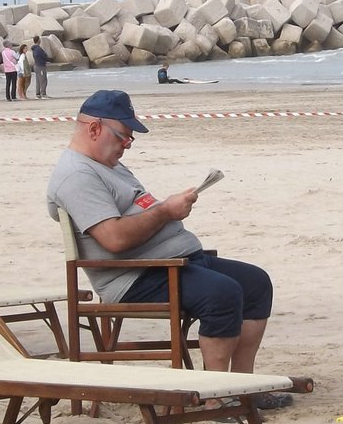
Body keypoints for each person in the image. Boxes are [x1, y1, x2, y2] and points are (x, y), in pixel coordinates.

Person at [46, 90, 281, 394]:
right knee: (222, 294)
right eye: (123, 136)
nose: (127, 144)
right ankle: (216, 394)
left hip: (170, 264)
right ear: (94, 129)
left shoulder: (106, 164)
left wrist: (169, 209)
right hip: (137, 276)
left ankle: (246, 387)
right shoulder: (77, 176)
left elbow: (137, 211)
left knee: (256, 283)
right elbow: (114, 239)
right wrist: (166, 211)